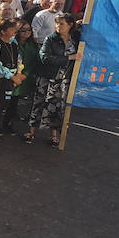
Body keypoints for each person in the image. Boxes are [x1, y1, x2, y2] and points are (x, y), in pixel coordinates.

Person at [25, 12, 80, 147]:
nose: (58, 26)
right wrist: (68, 58)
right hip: (47, 76)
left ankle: (53, 135)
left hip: (63, 78)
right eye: (56, 23)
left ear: (70, 25)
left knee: (57, 106)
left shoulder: (76, 38)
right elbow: (44, 57)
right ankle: (31, 131)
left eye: (61, 24)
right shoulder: (51, 39)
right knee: (39, 102)